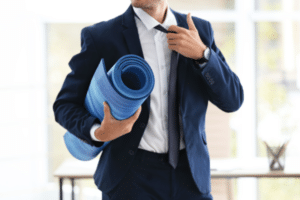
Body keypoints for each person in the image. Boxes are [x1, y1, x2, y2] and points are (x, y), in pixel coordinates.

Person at [53, 0, 244, 199]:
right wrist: (99, 132)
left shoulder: (199, 31)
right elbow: (65, 104)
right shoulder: (102, 36)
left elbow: (233, 100)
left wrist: (203, 55)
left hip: (191, 177)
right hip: (130, 178)